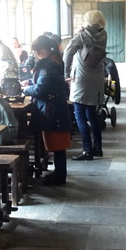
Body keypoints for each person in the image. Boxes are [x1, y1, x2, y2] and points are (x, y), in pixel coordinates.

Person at [22, 35, 72, 185]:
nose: (36, 55)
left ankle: (60, 176)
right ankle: (58, 173)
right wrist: (31, 82)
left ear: (43, 50)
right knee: (56, 144)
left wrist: (26, 89)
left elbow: (40, 89)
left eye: (37, 52)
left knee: (57, 144)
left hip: (52, 109)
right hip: (55, 106)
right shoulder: (54, 61)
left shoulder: (47, 66)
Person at [64, 10, 108, 161]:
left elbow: (67, 53)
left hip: (82, 78)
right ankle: (98, 148)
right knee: (92, 114)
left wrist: (66, 74)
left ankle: (87, 150)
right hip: (96, 77)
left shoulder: (81, 36)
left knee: (79, 115)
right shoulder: (103, 34)